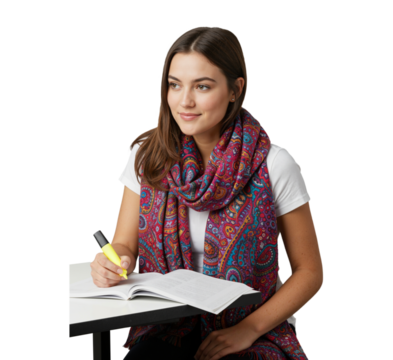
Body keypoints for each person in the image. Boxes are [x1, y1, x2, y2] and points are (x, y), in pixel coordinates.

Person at [90, 25, 323, 360]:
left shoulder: (274, 164)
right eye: (174, 85)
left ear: (235, 89)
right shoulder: (149, 157)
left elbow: (310, 272)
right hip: (165, 323)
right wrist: (114, 261)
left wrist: (248, 330)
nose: (184, 101)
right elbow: (124, 244)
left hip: (252, 327)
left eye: (202, 86)